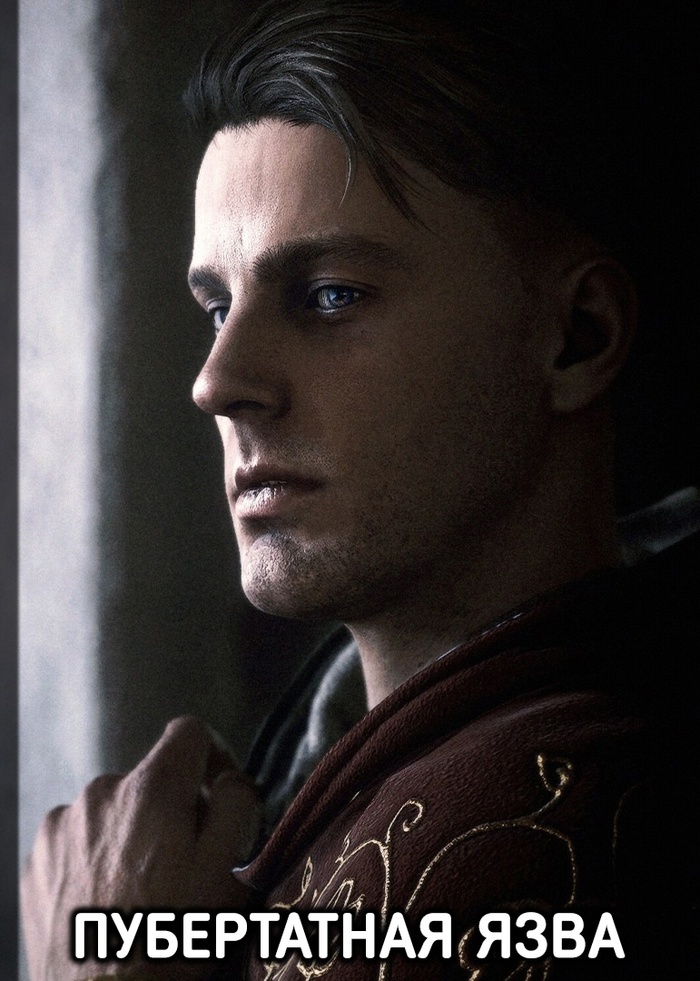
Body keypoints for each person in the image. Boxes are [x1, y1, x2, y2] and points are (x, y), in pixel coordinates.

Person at [21, 1, 698, 978]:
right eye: (217, 306)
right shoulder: (319, 771)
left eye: (330, 294)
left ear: (576, 337)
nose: (217, 382)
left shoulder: (578, 830)